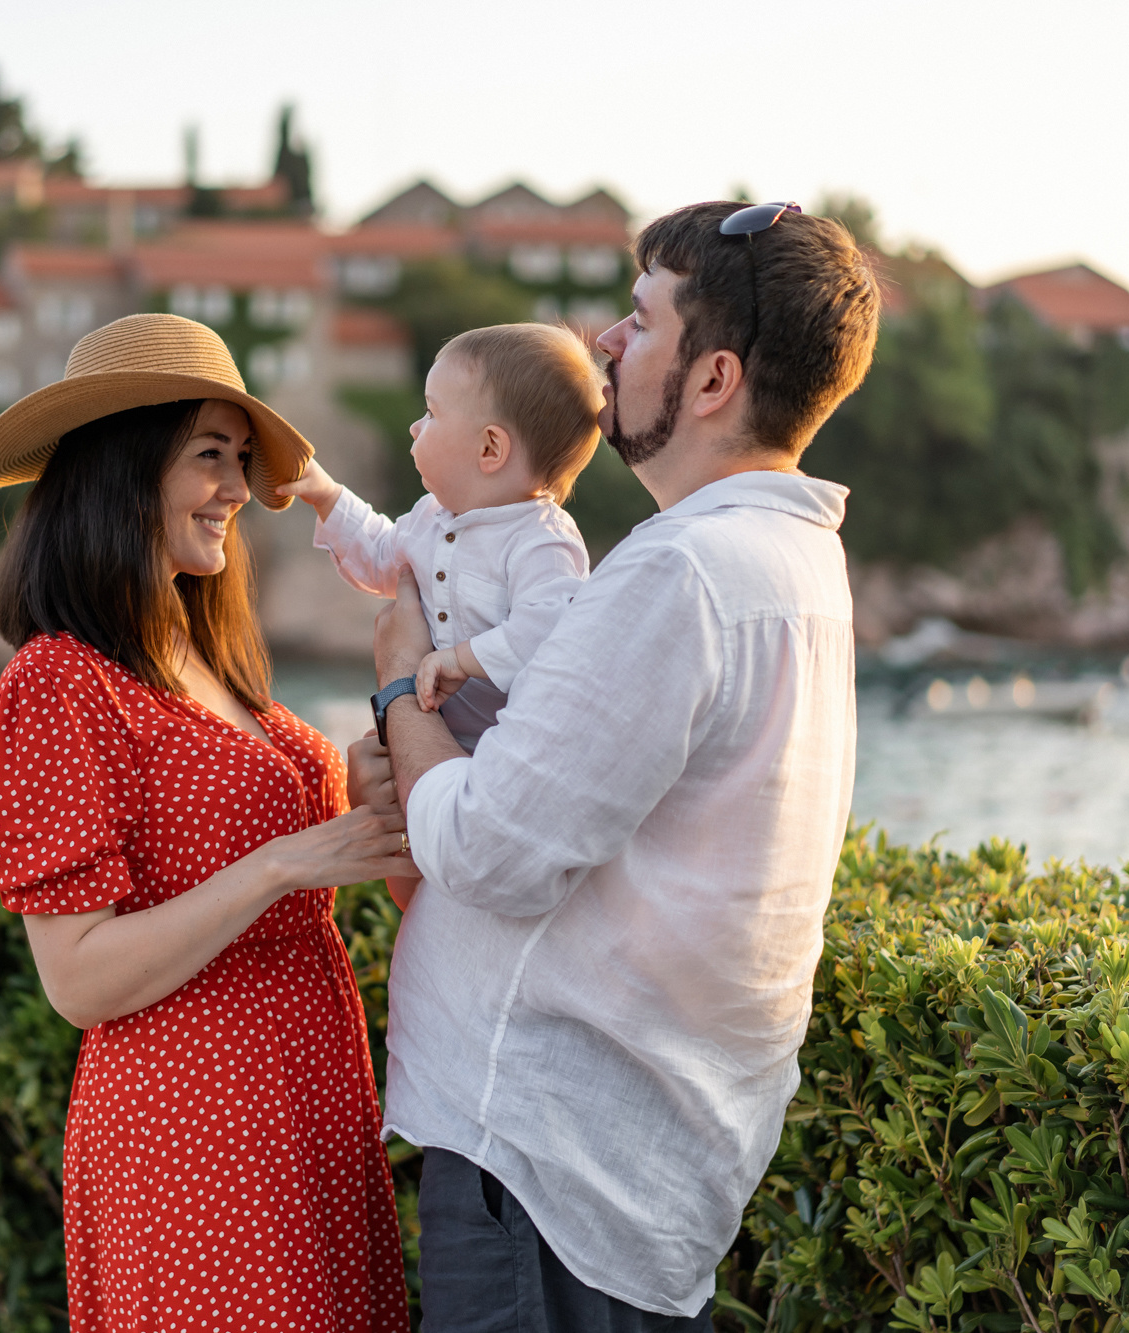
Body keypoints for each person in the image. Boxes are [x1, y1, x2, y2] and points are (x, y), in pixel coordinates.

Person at [352, 201, 882, 1328]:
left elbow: (491, 853)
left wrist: (402, 689)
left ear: (710, 379)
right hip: (622, 1170)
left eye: (639, 323)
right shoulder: (792, 561)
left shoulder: (677, 575)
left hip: (546, 1175)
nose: (602, 343)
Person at [0, 313, 413, 1332]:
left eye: (242, 459)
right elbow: (76, 978)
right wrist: (282, 863)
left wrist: (342, 781)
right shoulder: (57, 684)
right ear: (125, 467)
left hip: (303, 1106)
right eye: (210, 455)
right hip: (192, 1133)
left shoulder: (199, 656)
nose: (237, 490)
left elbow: (261, 838)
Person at [277, 323, 603, 751]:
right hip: (436, 739)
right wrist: (327, 496)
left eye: (431, 413)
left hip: (513, 749)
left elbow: (547, 631)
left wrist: (458, 660)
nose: (415, 427)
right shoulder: (430, 517)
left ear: (490, 449)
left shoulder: (542, 541)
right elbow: (378, 554)